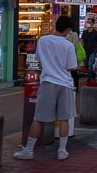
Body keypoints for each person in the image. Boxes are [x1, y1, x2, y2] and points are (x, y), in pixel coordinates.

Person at [14, 16, 78, 161]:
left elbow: (38, 59)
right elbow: (71, 67)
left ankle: (29, 150)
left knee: (39, 118)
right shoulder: (68, 45)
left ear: (56, 25)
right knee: (64, 118)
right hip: (65, 83)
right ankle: (62, 151)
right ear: (67, 30)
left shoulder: (43, 40)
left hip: (48, 81)